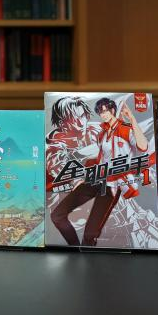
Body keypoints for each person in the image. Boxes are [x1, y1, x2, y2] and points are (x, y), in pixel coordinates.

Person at [50, 97, 148, 246]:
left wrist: (132, 119)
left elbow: (143, 146)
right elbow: (100, 160)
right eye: (100, 112)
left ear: (113, 110)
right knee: (57, 215)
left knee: (89, 235)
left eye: (105, 111)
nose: (103, 115)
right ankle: (75, 249)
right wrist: (82, 178)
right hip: (96, 178)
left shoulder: (124, 129)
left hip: (111, 185)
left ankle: (85, 253)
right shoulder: (101, 133)